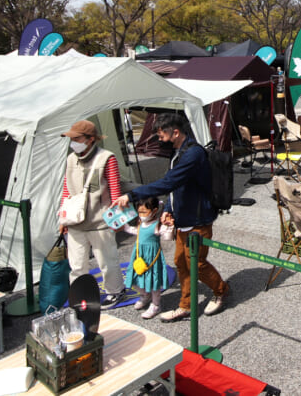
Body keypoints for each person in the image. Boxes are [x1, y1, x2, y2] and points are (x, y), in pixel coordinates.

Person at [116, 113, 229, 322]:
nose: (160, 138)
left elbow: (168, 183)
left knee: (196, 263)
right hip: (183, 219)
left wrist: (132, 195)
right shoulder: (179, 152)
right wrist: (168, 208)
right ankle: (185, 305)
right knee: (180, 262)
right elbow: (175, 187)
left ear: (175, 132)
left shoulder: (193, 154)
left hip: (199, 219)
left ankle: (221, 290)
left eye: (162, 134)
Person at [58, 120, 127, 308]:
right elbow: (66, 190)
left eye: (76, 138)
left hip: (100, 221)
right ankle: (80, 295)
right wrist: (63, 218)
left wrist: (118, 218)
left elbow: (115, 190)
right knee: (77, 264)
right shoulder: (70, 159)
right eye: (72, 138)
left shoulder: (107, 158)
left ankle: (116, 291)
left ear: (90, 139)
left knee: (107, 261)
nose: (73, 141)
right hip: (75, 221)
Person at [122, 197, 174, 320]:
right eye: (139, 212)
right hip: (139, 256)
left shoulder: (156, 225)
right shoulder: (141, 223)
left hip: (152, 258)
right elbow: (135, 231)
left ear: (154, 210)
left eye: (144, 212)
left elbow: (167, 237)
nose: (141, 215)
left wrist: (169, 227)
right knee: (134, 277)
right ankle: (145, 294)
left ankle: (156, 304)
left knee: (153, 280)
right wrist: (123, 225)